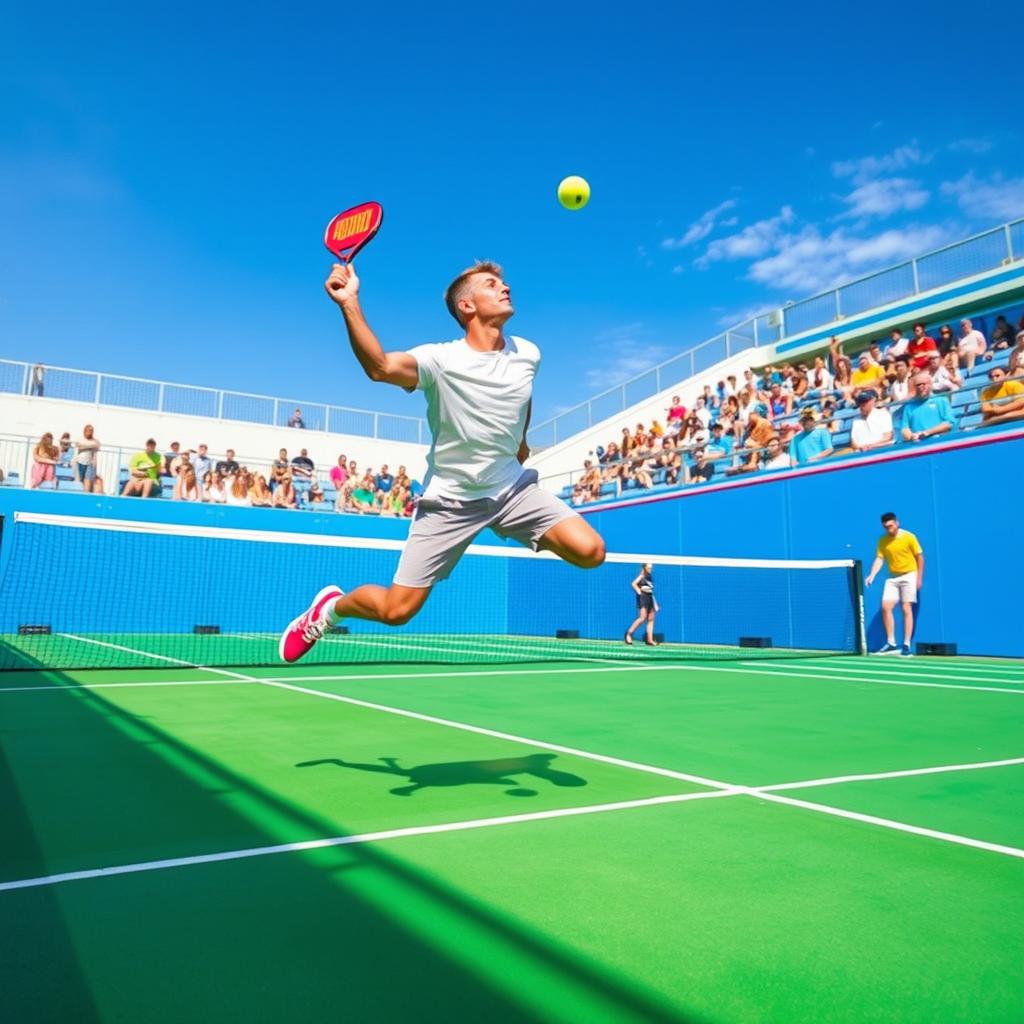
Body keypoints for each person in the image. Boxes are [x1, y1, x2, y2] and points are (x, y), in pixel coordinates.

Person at [280, 258, 606, 662]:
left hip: (511, 488)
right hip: (450, 501)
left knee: (591, 551)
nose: (505, 288)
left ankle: (517, 523)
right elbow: (380, 368)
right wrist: (349, 302)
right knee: (396, 611)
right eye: (491, 284)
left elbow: (525, 392)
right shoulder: (440, 360)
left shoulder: (528, 353)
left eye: (502, 283)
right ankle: (328, 609)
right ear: (467, 307)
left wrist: (521, 439)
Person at [865, 512, 924, 656]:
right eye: (886, 527)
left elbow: (920, 558)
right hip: (893, 578)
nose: (889, 529)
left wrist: (919, 578)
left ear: (897, 523)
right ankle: (891, 643)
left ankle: (906, 645)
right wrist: (872, 574)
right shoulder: (883, 540)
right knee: (886, 607)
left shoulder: (909, 537)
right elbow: (879, 559)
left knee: (906, 608)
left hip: (909, 575)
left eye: (891, 526)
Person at [901, 374, 957, 443]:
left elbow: (949, 423)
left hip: (940, 442)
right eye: (918, 385)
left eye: (923, 384)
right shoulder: (909, 407)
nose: (921, 387)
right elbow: (905, 428)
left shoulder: (941, 400)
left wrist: (927, 432)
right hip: (919, 445)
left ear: (930, 384)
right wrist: (911, 436)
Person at [624, 563, 659, 646]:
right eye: (649, 568)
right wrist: (639, 592)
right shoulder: (641, 576)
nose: (651, 569)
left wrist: (655, 603)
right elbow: (633, 584)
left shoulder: (649, 577)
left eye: (651, 568)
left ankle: (649, 640)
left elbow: (650, 590)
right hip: (643, 598)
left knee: (651, 619)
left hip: (650, 598)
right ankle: (628, 634)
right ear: (644, 567)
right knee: (642, 618)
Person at [74, 423, 103, 493]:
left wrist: (86, 446)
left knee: (88, 480)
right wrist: (91, 446)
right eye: (89, 430)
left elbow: (98, 445)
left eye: (91, 431)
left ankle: (86, 495)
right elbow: (79, 446)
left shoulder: (94, 440)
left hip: (89, 463)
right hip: (79, 462)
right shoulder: (80, 439)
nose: (90, 432)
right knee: (80, 480)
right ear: (85, 431)